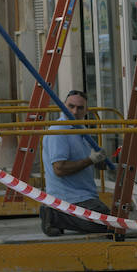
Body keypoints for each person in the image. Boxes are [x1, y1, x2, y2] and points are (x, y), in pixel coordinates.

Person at [39, 89, 111, 236]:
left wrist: (100, 161)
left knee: (114, 219)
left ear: (86, 110)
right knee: (110, 224)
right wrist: (90, 160)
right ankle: (54, 215)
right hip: (68, 198)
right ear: (63, 106)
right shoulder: (59, 131)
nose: (74, 111)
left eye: (79, 108)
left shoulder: (80, 128)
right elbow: (59, 169)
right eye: (70, 106)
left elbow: (89, 162)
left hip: (84, 196)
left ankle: (57, 215)